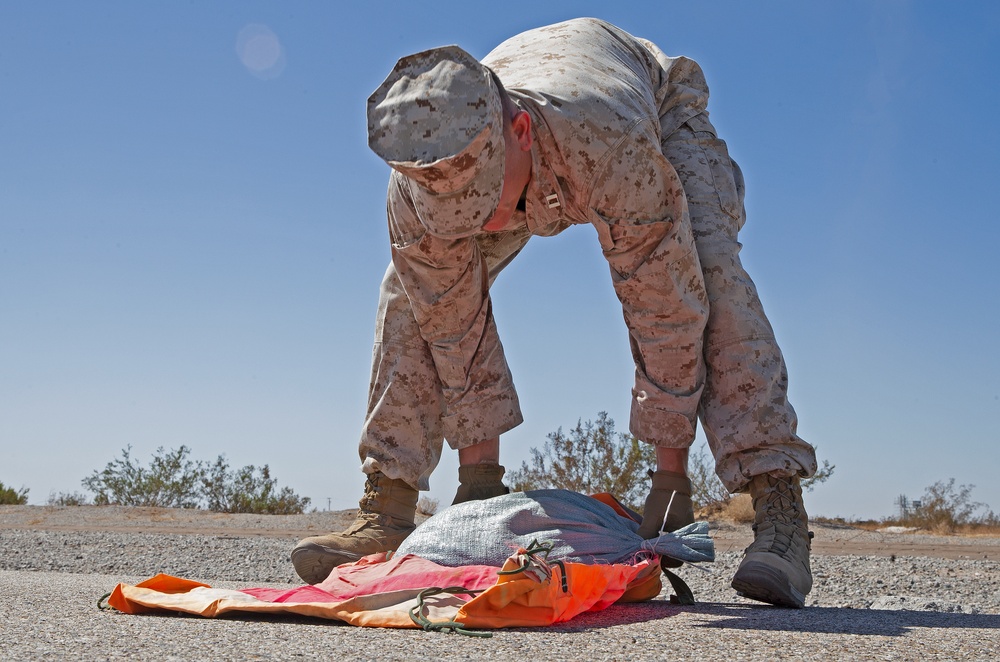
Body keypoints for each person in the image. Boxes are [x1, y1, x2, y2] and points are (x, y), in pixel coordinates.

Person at [292, 18, 818, 608]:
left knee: (712, 271)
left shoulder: (612, 146)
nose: (484, 226)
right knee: (410, 295)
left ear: (519, 132)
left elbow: (663, 303)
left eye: (486, 200)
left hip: (653, 113)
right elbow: (452, 323)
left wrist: (671, 476)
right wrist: (479, 496)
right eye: (456, 214)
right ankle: (388, 506)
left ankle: (778, 510)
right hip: (543, 119)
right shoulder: (416, 186)